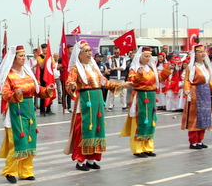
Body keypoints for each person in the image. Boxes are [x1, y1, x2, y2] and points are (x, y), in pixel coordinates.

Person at [64, 41, 130, 171]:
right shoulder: (75, 68)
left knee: (96, 128)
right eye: (87, 51)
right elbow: (69, 83)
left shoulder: (94, 68)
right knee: (83, 129)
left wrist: (121, 85)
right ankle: (80, 160)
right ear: (79, 54)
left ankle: (91, 159)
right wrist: (71, 86)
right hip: (85, 102)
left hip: (97, 101)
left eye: (90, 51)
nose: (90, 53)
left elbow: (104, 82)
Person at [0, 45, 55, 183]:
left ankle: (26, 171)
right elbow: (5, 94)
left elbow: (37, 90)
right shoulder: (9, 76)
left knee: (29, 140)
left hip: (29, 111)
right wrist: (14, 94)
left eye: (24, 56)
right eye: (20, 56)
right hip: (16, 111)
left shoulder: (29, 75)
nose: (23, 58)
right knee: (15, 142)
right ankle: (10, 171)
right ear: (13, 58)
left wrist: (48, 89)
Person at [119, 47, 173, 157]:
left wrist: (167, 70)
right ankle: (138, 148)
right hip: (140, 97)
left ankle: (148, 147)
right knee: (139, 122)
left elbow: (158, 79)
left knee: (150, 122)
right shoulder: (134, 68)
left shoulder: (150, 68)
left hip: (151, 96)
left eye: (149, 56)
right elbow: (132, 80)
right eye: (146, 56)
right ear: (140, 56)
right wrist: (139, 74)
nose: (148, 58)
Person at [182, 45, 212, 150]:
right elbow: (187, 80)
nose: (203, 54)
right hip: (196, 93)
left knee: (204, 116)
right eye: (200, 52)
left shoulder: (205, 67)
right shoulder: (191, 67)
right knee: (195, 117)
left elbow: (209, 81)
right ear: (195, 55)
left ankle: (200, 140)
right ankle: (193, 141)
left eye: (204, 52)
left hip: (205, 93)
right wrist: (187, 89)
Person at [106, 47, 128, 111]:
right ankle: (110, 105)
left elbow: (123, 67)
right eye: (115, 53)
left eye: (117, 53)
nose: (116, 54)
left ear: (119, 52)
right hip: (113, 78)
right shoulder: (111, 59)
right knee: (111, 93)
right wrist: (112, 60)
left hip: (121, 78)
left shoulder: (123, 59)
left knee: (123, 92)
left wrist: (115, 68)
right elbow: (111, 67)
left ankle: (124, 106)